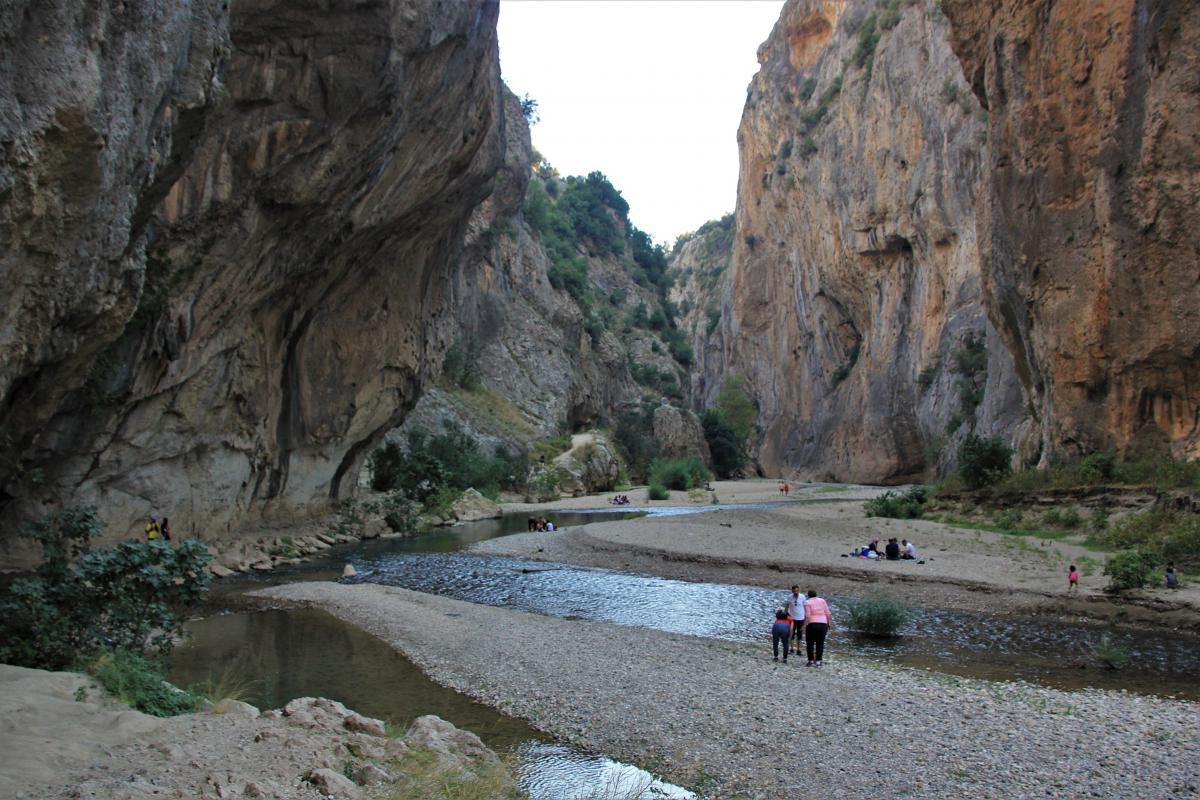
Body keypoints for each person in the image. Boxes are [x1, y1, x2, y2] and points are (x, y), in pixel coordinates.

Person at [802, 590, 832, 667]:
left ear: (808, 595)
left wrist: (804, 625)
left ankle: (810, 661)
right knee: (820, 643)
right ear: (816, 594)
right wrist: (828, 623)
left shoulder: (807, 602)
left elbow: (808, 615)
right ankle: (818, 661)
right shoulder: (822, 600)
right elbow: (828, 613)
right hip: (823, 624)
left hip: (812, 624)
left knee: (810, 643)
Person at [783, 585, 805, 654]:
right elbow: (787, 606)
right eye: (794, 591)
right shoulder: (790, 597)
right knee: (791, 633)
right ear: (792, 591)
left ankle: (799, 649)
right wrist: (785, 615)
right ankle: (792, 648)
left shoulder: (802, 596)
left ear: (799, 590)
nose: (796, 592)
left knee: (799, 634)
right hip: (792, 618)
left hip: (801, 618)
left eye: (797, 591)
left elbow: (805, 606)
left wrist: (806, 616)